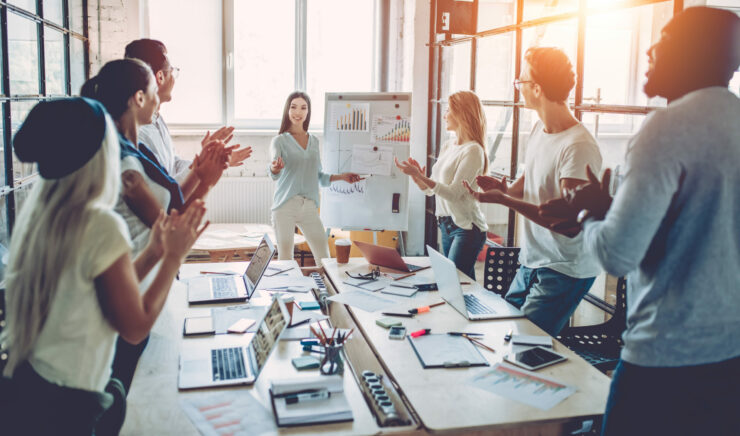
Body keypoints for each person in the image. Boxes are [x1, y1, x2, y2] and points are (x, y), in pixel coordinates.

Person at [538, 7, 740, 435]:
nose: (649, 49)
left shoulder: (666, 127)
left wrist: (587, 212)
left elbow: (616, 255)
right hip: (730, 362)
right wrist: (613, 204)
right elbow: (703, 222)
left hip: (666, 359)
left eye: (664, 41)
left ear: (694, 54)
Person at [0, 98, 207, 435]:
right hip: (68, 407)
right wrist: (173, 258)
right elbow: (134, 326)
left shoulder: (42, 216)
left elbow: (101, 294)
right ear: (100, 156)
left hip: (34, 389)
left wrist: (155, 250)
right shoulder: (99, 224)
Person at [80, 58, 229, 394]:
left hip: (147, 275)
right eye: (153, 89)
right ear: (139, 98)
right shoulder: (124, 161)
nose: (160, 94)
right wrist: (203, 180)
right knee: (132, 386)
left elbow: (170, 216)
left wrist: (205, 178)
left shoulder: (133, 148)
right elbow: (169, 224)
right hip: (132, 281)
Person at [463, 47, 602, 336]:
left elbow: (569, 223)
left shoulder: (578, 146)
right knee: (505, 332)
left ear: (537, 88)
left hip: (564, 268)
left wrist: (506, 201)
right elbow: (531, 178)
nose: (518, 87)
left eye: (521, 81)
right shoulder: (540, 129)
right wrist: (506, 190)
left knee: (524, 343)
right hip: (534, 258)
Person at [124, 38, 252, 187]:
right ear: (160, 77)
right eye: (172, 71)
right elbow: (166, 192)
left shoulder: (157, 120)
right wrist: (205, 163)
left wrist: (210, 160)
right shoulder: (138, 133)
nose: (174, 78)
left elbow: (174, 165)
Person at [395, 90, 489, 280]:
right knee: (462, 284)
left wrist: (421, 177)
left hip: (467, 228)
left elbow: (453, 193)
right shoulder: (449, 145)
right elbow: (432, 190)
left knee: (451, 280)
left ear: (461, 113)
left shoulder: (473, 151)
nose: (445, 115)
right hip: (446, 225)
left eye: (448, 110)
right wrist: (419, 178)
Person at [269, 91, 362, 266]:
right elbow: (274, 172)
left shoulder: (314, 141)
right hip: (285, 206)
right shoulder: (279, 141)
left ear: (308, 112)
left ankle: (327, 292)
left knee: (324, 257)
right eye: (293, 107)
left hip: (309, 206)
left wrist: (342, 177)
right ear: (287, 110)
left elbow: (318, 177)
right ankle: (286, 293)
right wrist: (275, 168)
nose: (298, 112)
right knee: (286, 260)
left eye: (303, 108)